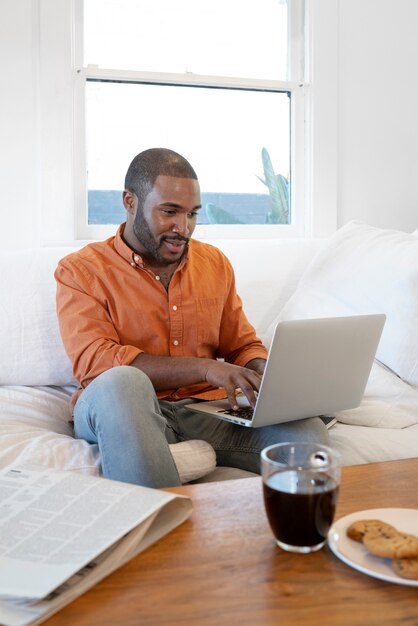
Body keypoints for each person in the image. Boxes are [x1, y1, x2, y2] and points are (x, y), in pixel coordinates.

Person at [55, 148, 329, 488]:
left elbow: (240, 344)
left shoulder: (214, 263)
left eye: (192, 214)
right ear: (130, 201)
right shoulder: (81, 270)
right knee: (124, 382)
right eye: (169, 212)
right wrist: (203, 368)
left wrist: (265, 373)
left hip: (204, 411)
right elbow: (95, 363)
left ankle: (168, 457)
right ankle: (162, 512)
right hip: (125, 409)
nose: (182, 228)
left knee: (309, 438)